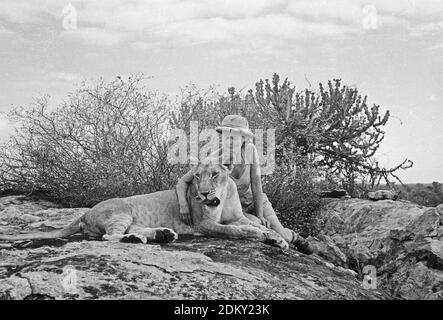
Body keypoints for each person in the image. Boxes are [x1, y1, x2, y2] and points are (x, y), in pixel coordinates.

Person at [176, 115, 313, 254]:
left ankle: (295, 238)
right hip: (235, 208)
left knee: (281, 233)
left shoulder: (250, 150)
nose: (228, 140)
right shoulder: (214, 160)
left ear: (243, 139)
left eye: (234, 136)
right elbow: (183, 181)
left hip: (255, 200)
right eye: (225, 136)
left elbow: (256, 185)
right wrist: (183, 206)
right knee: (258, 228)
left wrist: (260, 214)